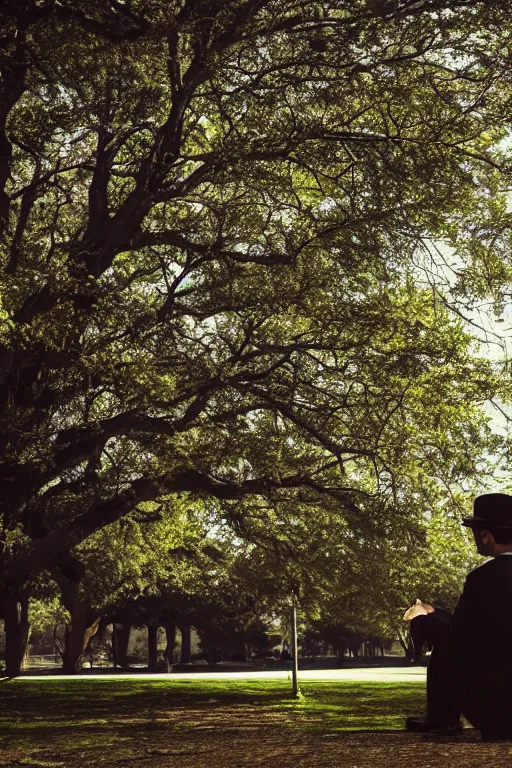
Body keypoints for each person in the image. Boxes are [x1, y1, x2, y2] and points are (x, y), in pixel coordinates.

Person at [405, 492, 512, 741]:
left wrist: (423, 621)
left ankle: (442, 718)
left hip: (499, 714)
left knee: (437, 631)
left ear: (484, 534)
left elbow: (458, 638)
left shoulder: (483, 579)